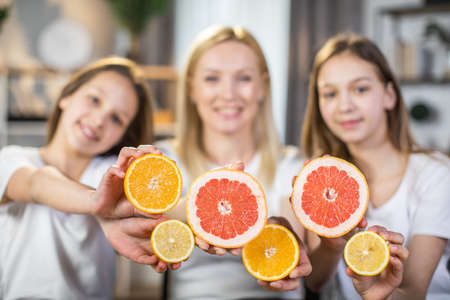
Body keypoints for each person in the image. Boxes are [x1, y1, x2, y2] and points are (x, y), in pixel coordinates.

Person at [0, 56, 175, 299]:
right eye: (94, 99)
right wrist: (99, 205)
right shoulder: (10, 160)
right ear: (66, 96)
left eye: (117, 118)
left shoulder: (113, 176)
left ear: (123, 135)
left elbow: (174, 207)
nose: (100, 119)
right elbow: (36, 183)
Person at [156, 25, 310, 300]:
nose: (228, 94)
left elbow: (292, 245)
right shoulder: (164, 162)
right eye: (212, 78)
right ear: (191, 88)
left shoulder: (294, 166)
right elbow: (141, 218)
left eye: (244, 78)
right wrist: (208, 207)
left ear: (263, 87)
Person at [300, 32, 449, 300]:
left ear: (389, 96)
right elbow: (315, 282)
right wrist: (330, 245)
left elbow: (413, 292)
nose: (344, 105)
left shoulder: (436, 175)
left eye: (360, 89)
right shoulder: (321, 178)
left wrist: (373, 292)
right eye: (330, 93)